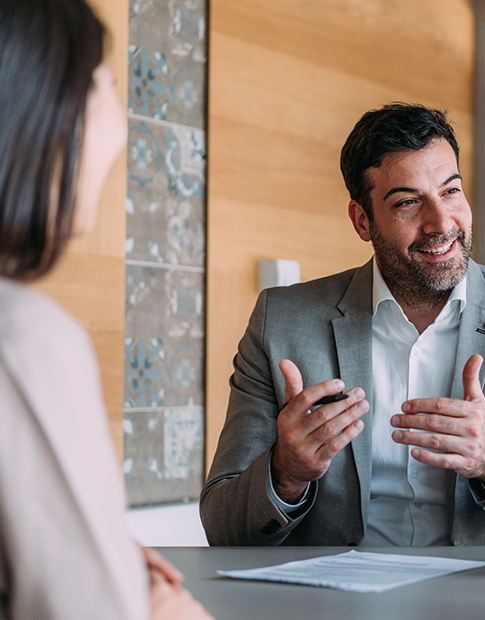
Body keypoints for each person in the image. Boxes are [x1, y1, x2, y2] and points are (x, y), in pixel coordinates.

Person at [201, 104, 485, 547]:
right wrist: (285, 473)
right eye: (408, 202)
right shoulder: (281, 322)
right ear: (363, 220)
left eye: (451, 191)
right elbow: (223, 528)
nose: (441, 223)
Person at [0, 0, 212, 618]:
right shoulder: (26, 341)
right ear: (36, 107)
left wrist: (101, 556)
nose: (120, 125)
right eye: (104, 84)